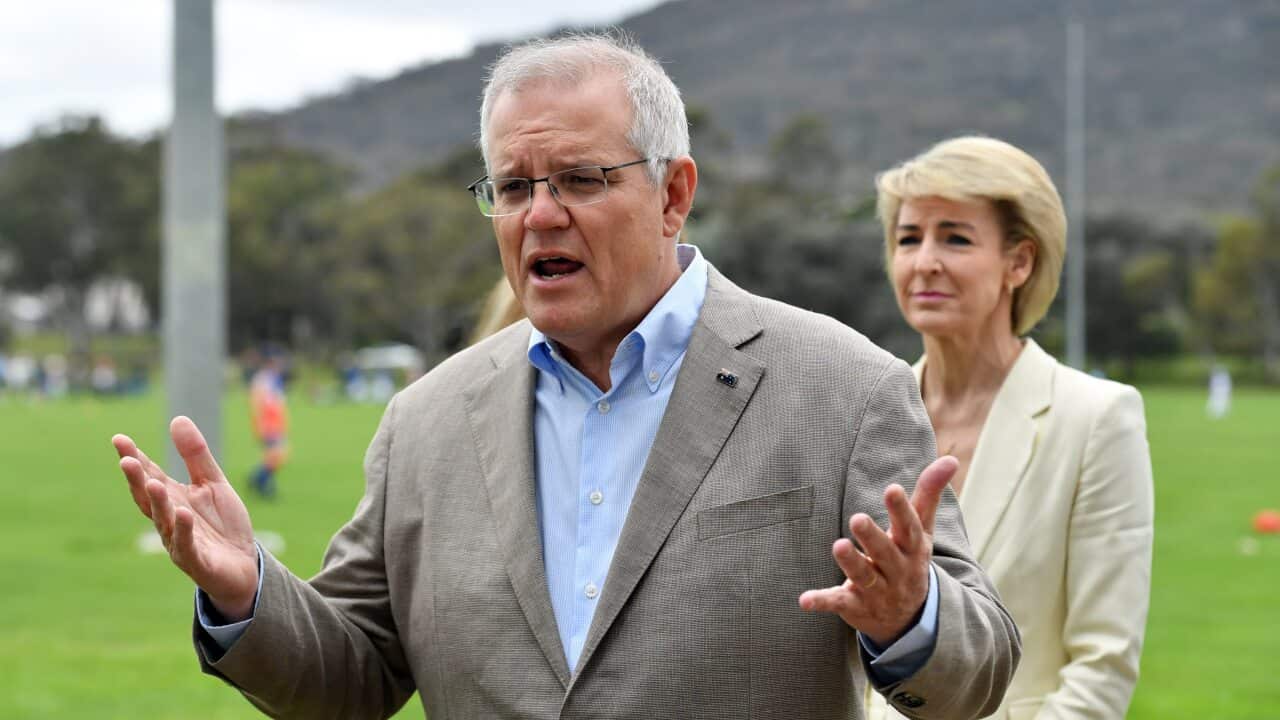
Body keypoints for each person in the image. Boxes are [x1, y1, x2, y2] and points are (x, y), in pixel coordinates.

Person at [111, 34, 1018, 719]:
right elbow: (351, 673)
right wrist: (248, 595)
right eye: (512, 187)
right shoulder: (426, 421)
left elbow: (981, 668)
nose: (539, 215)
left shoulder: (843, 389)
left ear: (672, 194)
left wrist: (912, 616)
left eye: (581, 180)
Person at [867, 136, 1154, 720]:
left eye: (956, 237)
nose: (925, 261)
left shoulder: (1098, 418)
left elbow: (1102, 670)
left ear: (1019, 262)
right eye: (908, 238)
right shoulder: (862, 413)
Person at [247, 355, 289, 498]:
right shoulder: (263, 379)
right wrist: (260, 424)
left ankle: (259, 481)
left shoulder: (273, 379)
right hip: (269, 425)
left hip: (275, 424)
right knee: (277, 454)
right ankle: (260, 482)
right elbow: (257, 402)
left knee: (275, 455)